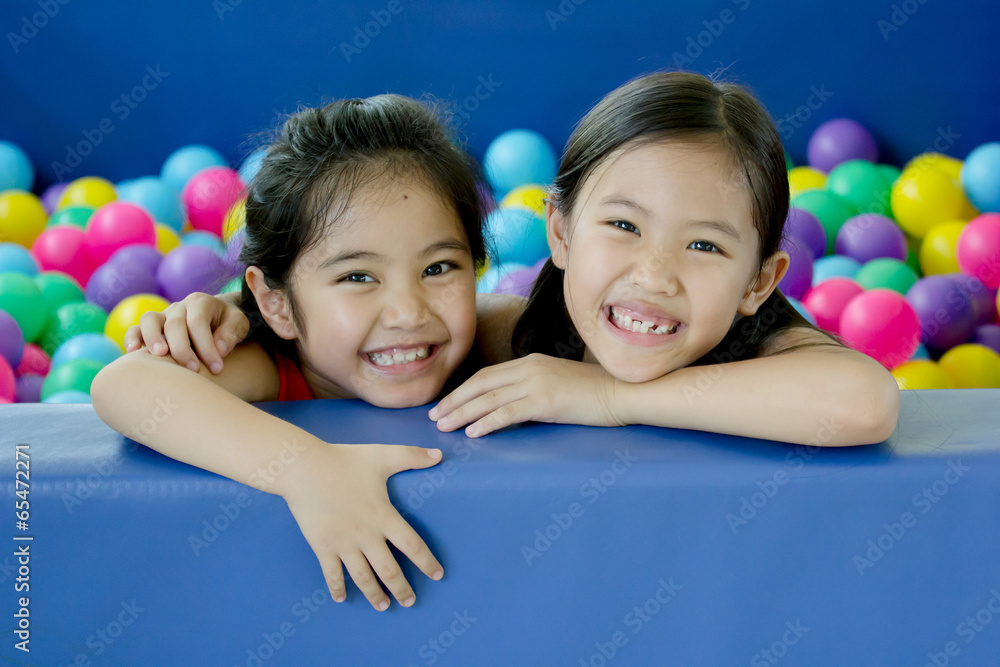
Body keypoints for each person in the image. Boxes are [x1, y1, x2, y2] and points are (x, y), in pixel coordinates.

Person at [125, 72, 900, 451]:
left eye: (705, 246)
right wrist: (239, 315)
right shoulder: (513, 332)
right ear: (557, 232)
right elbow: (140, 385)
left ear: (759, 281)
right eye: (623, 225)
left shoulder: (764, 339)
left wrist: (603, 396)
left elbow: (863, 402)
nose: (656, 275)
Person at [92, 94, 491, 612]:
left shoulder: (487, 337)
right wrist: (307, 470)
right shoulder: (273, 370)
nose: (408, 312)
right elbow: (123, 386)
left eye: (438, 268)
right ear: (276, 304)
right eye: (357, 276)